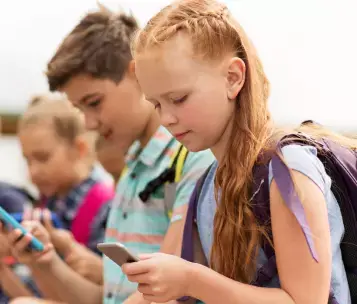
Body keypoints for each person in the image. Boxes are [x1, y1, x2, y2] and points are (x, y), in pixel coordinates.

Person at [117, 0, 350, 303]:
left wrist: (190, 279)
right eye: (156, 104)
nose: (166, 118)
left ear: (233, 78)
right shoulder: (206, 185)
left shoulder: (288, 171)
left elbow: (305, 300)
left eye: (179, 98)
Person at [7, 5, 214, 304]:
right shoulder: (132, 168)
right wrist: (44, 262)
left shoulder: (191, 158)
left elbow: (169, 297)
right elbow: (105, 299)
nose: (89, 124)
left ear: (137, 73)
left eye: (94, 102)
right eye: (80, 110)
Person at [18, 93, 114, 252]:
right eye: (27, 160)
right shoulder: (46, 201)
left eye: (43, 158)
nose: (32, 172)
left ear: (79, 149)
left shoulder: (105, 207)